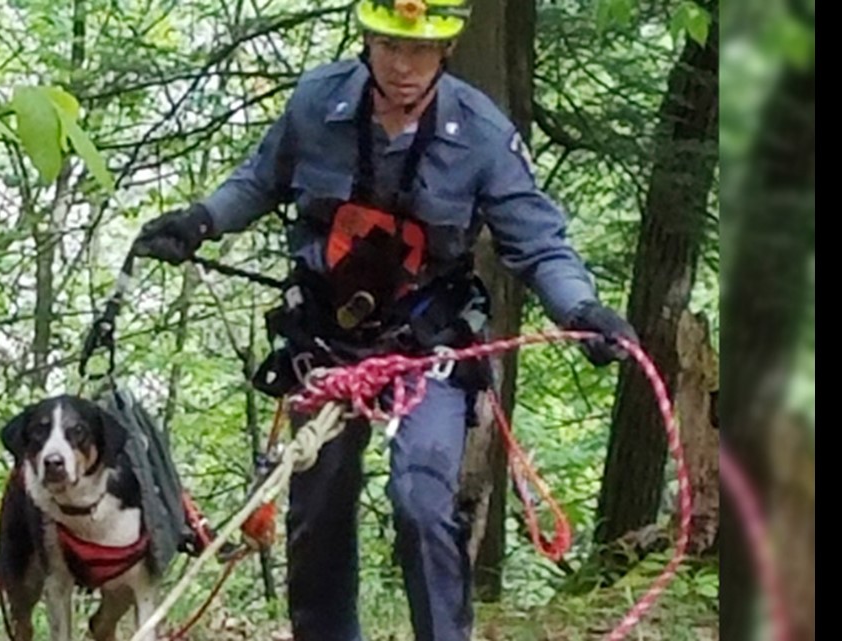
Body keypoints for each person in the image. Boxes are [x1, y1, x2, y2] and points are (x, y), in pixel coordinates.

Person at [131, 0, 639, 638]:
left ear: (446, 49)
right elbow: (260, 181)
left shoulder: (482, 134)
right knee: (318, 504)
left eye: (420, 49)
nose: (403, 65)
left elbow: (539, 245)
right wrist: (200, 221)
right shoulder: (317, 104)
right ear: (367, 41)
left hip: (428, 343)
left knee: (422, 496)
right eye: (391, 46)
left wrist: (581, 310)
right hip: (325, 340)